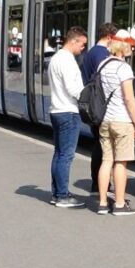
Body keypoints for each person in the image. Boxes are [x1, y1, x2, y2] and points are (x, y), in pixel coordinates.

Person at [96, 31, 135, 216]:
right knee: (121, 163)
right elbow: (129, 99)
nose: (133, 48)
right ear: (123, 47)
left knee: (106, 160)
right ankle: (120, 204)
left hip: (105, 120)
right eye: (131, 45)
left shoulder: (103, 64)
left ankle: (101, 203)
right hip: (122, 120)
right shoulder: (123, 68)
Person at [46, 26, 88, 209]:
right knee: (66, 156)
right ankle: (62, 195)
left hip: (56, 109)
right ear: (73, 40)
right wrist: (88, 96)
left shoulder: (56, 58)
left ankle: (57, 192)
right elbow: (74, 89)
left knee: (58, 154)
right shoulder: (68, 61)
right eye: (82, 44)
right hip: (68, 111)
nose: (83, 48)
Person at [81, 22, 118, 195]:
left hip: (94, 104)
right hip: (101, 106)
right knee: (103, 148)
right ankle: (99, 184)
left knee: (99, 145)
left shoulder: (90, 53)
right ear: (110, 37)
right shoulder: (103, 54)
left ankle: (97, 182)